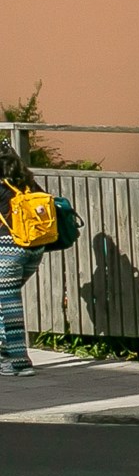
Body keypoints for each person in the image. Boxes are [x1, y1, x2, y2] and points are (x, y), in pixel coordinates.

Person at [0, 148, 42, 376]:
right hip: (35, 251)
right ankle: (8, 354)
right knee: (5, 303)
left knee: (10, 308)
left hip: (8, 251)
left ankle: (18, 363)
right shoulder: (30, 186)